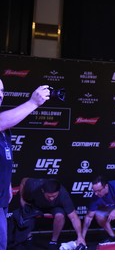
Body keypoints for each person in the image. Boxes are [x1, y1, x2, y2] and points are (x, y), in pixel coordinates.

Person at [0, 80, 50, 250]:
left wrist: (6, 185)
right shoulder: (3, 122)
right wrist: (33, 103)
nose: (0, 94)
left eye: (2, 90)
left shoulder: (5, 130)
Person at [17, 177, 86, 249]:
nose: (51, 198)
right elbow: (23, 181)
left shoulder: (63, 194)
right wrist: (22, 198)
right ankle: (28, 237)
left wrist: (80, 236)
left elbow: (74, 217)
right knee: (25, 210)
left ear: (58, 192)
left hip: (54, 207)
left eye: (54, 196)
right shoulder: (34, 186)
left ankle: (53, 241)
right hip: (37, 205)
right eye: (49, 196)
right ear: (42, 191)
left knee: (60, 216)